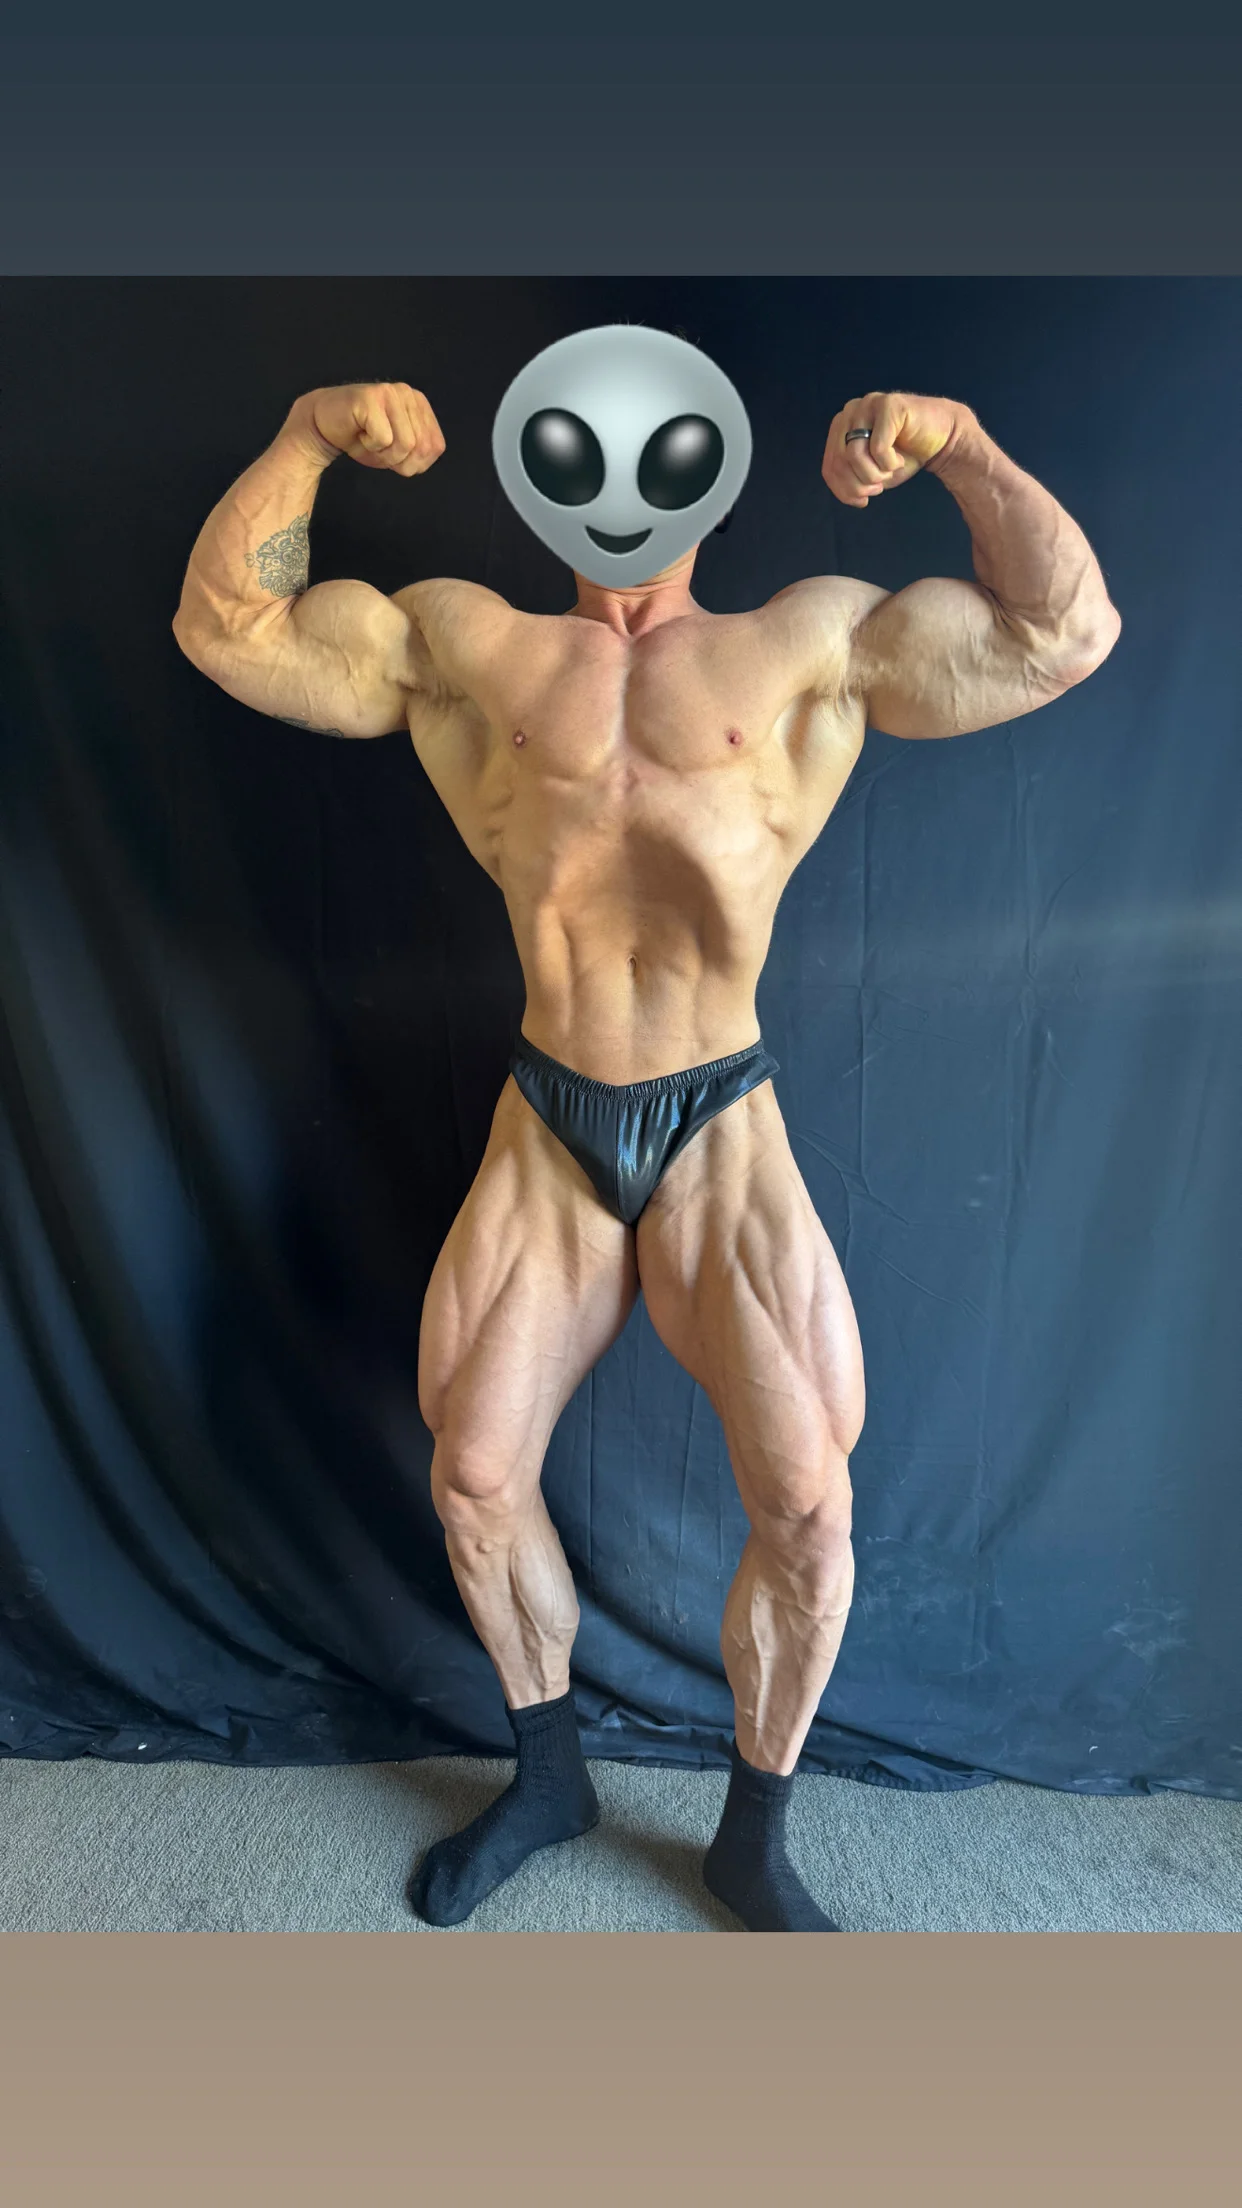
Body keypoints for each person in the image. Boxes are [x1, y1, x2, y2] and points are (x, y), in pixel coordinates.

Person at [172, 365, 1121, 1930]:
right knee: (475, 1474)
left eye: (656, 451)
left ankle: (753, 1830)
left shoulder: (806, 639)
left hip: (717, 1114)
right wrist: (305, 435)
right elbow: (228, 629)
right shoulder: (466, 641)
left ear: (709, 474)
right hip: (549, 1112)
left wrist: (960, 446)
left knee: (806, 1504)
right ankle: (548, 1773)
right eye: (584, 450)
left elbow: (1060, 631)